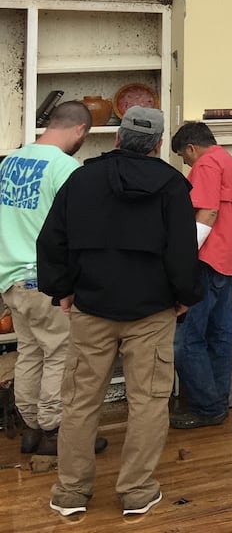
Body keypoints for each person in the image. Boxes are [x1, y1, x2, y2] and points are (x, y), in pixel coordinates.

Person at [37, 106, 200, 519]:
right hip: (151, 311)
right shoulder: (172, 185)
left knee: (79, 401)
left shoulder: (81, 178)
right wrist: (185, 295)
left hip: (92, 307)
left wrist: (63, 291)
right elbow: (182, 250)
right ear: (160, 144)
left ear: (117, 138)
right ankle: (136, 492)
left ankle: (71, 492)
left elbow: (52, 240)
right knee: (147, 401)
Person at [0, 101, 94, 456]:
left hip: (9, 276)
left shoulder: (11, 161)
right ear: (81, 131)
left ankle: (30, 428)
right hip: (45, 277)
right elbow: (77, 227)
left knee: (30, 351)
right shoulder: (66, 168)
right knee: (60, 353)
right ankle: (55, 430)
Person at [168, 120, 232, 429]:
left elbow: (207, 212)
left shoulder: (206, 165)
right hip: (230, 259)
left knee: (187, 339)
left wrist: (183, 256)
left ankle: (206, 408)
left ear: (191, 148)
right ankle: (218, 402)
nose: (186, 163)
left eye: (183, 156)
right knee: (220, 336)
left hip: (205, 261)